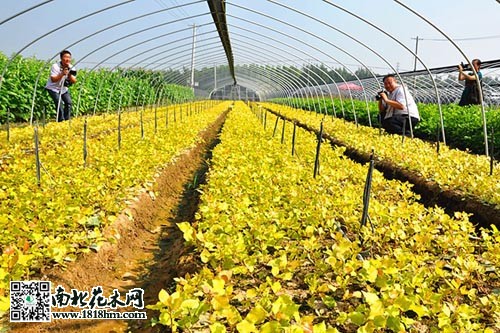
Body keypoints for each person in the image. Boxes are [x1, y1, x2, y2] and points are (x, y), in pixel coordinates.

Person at [45, 50, 77, 122]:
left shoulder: (71, 67)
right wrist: (62, 73)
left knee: (69, 102)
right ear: (61, 58)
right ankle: (61, 120)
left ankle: (67, 120)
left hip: (63, 88)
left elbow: (74, 81)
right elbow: (53, 79)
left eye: (69, 57)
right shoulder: (55, 66)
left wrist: (69, 74)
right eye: (65, 57)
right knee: (59, 102)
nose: (67, 59)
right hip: (53, 88)